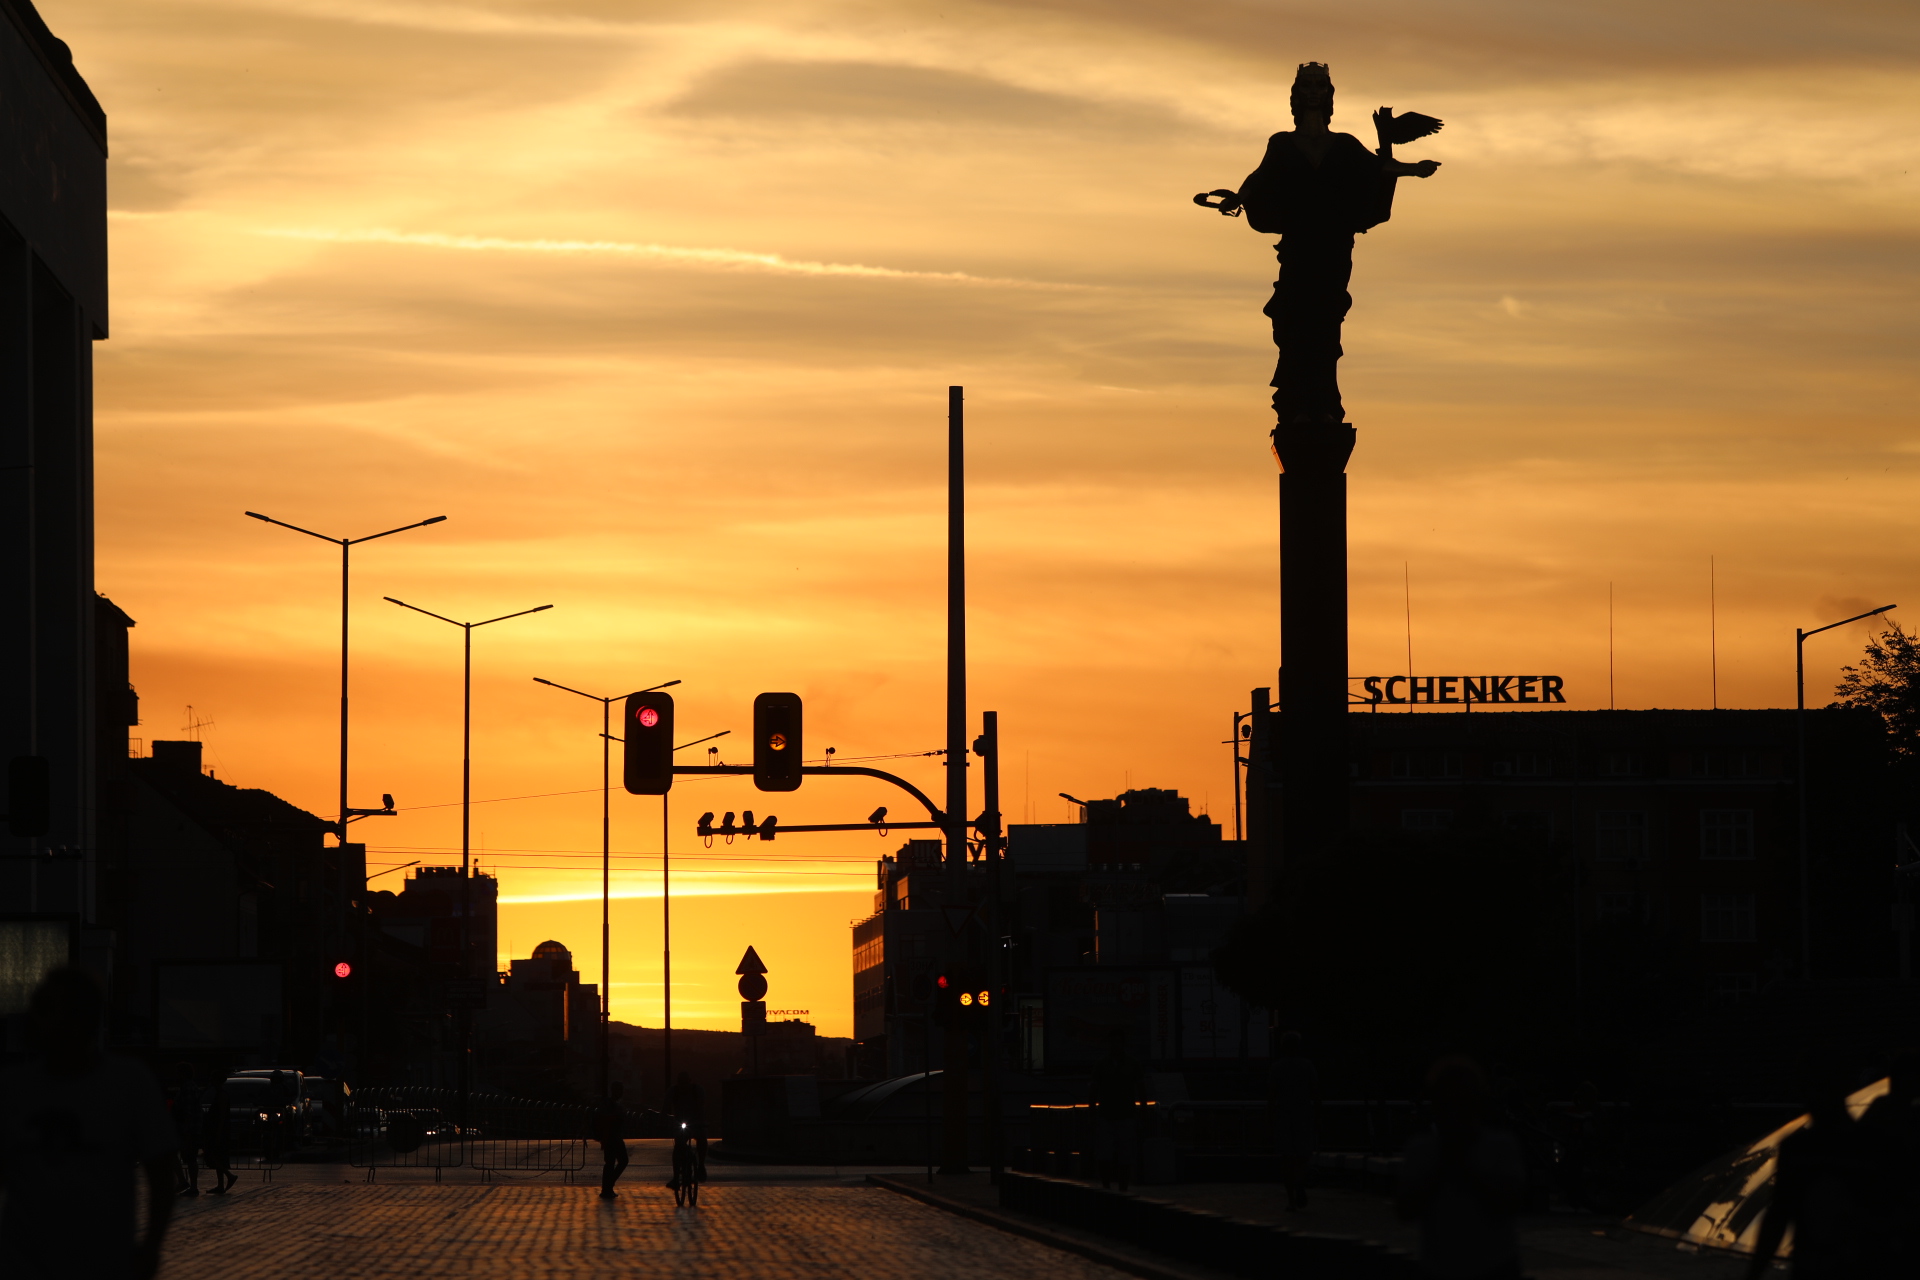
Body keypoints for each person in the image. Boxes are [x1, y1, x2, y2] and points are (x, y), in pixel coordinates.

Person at [0, 967, 179, 1279]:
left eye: (45, 1009)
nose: (32, 1018)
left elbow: (162, 1174)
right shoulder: (14, 1087)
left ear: (79, 1019)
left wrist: (151, 1248)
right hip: (25, 1264)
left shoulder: (128, 1083)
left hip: (100, 1262)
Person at [1397, 1056, 1527, 1280]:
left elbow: (1511, 1202)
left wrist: (1456, 1166)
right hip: (1479, 1265)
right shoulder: (1500, 1145)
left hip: (1477, 1266)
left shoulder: (1499, 1146)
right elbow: (1405, 1208)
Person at [1745, 1061, 1872, 1279]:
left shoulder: (1799, 1148)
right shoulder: (1868, 1145)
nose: (1815, 1098)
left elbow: (1779, 1215)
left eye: (1820, 1088)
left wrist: (1756, 1270)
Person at [1089, 1032, 1146, 1192]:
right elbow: (1093, 1091)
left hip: (1125, 1115)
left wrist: (1141, 1114)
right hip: (1107, 1115)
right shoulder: (1102, 1065)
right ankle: (1108, 1185)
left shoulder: (1132, 1064)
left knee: (1124, 1155)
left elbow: (1142, 1092)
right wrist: (1093, 1114)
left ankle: (1121, 1187)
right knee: (1105, 1154)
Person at [1267, 1031, 1317, 1210]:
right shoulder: (1307, 1065)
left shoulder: (1277, 1067)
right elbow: (1315, 1092)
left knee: (1286, 1158)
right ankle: (1300, 1183)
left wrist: (1271, 1117)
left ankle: (1291, 1198)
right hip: (1303, 1115)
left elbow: (1271, 1096)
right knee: (1303, 1155)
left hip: (1284, 1115)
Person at [169, 1064, 203, 1197]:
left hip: (187, 1129)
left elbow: (188, 1111)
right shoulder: (189, 1087)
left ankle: (189, 1184)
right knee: (188, 1157)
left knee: (189, 1157)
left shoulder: (187, 1088)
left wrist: (186, 1130)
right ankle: (186, 1182)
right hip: (188, 1128)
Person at [200, 1077, 236, 1195]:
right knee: (217, 1156)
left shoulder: (222, 1095)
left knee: (214, 1156)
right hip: (217, 1130)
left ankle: (228, 1176)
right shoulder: (220, 1094)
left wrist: (218, 1131)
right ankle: (221, 1184)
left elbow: (221, 1116)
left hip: (218, 1130)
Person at [596, 1082, 628, 1199]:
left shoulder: (609, 1103)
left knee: (610, 1162)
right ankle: (608, 1186)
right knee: (620, 1161)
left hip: (612, 1137)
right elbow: (607, 1121)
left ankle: (607, 1187)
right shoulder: (611, 1104)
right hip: (613, 1137)